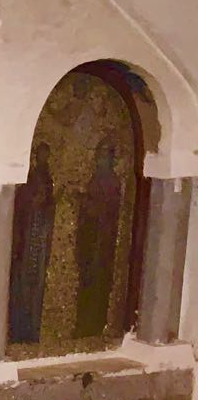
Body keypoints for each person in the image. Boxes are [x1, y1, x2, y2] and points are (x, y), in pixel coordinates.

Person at [74, 136, 124, 338]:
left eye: (104, 154)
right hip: (91, 239)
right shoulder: (95, 179)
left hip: (102, 243)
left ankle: (92, 326)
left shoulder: (112, 182)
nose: (100, 159)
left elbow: (106, 211)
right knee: (87, 281)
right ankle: (83, 324)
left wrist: (87, 203)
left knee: (97, 283)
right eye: (99, 154)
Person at [8, 142, 56, 345]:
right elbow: (20, 204)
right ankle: (18, 329)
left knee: (34, 289)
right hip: (26, 243)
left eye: (46, 154)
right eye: (40, 154)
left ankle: (30, 330)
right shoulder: (29, 179)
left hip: (38, 243)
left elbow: (49, 205)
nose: (43, 158)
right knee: (22, 288)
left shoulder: (48, 179)